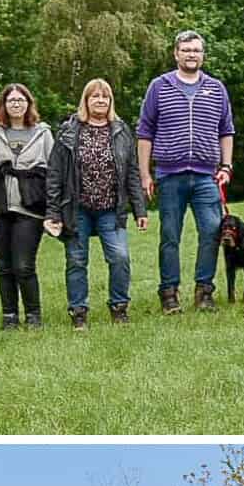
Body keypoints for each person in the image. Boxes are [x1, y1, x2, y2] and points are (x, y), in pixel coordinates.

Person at [136, 29, 235, 314]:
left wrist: (226, 166)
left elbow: (226, 130)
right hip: (169, 175)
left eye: (196, 50)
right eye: (186, 50)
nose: (191, 54)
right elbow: (145, 132)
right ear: (176, 54)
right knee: (170, 235)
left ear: (202, 55)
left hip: (207, 176)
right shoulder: (159, 86)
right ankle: (169, 293)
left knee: (211, 232)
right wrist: (145, 174)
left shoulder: (216, 88)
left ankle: (204, 290)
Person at [44, 78, 148, 328]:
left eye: (105, 97)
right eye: (95, 96)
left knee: (120, 257)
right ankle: (78, 312)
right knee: (77, 261)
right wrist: (52, 212)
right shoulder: (69, 130)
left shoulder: (121, 131)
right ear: (86, 100)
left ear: (110, 101)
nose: (100, 100)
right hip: (76, 208)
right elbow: (55, 173)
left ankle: (119, 307)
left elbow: (132, 172)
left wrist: (139, 209)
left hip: (111, 209)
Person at [0, 83, 53, 328]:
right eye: (11, 101)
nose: (16, 104)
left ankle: (33, 315)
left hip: (31, 208)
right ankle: (9, 316)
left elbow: (54, 173)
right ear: (4, 105)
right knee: (4, 265)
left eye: (21, 100)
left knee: (24, 264)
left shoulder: (43, 133)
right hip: (0, 209)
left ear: (29, 104)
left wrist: (53, 212)